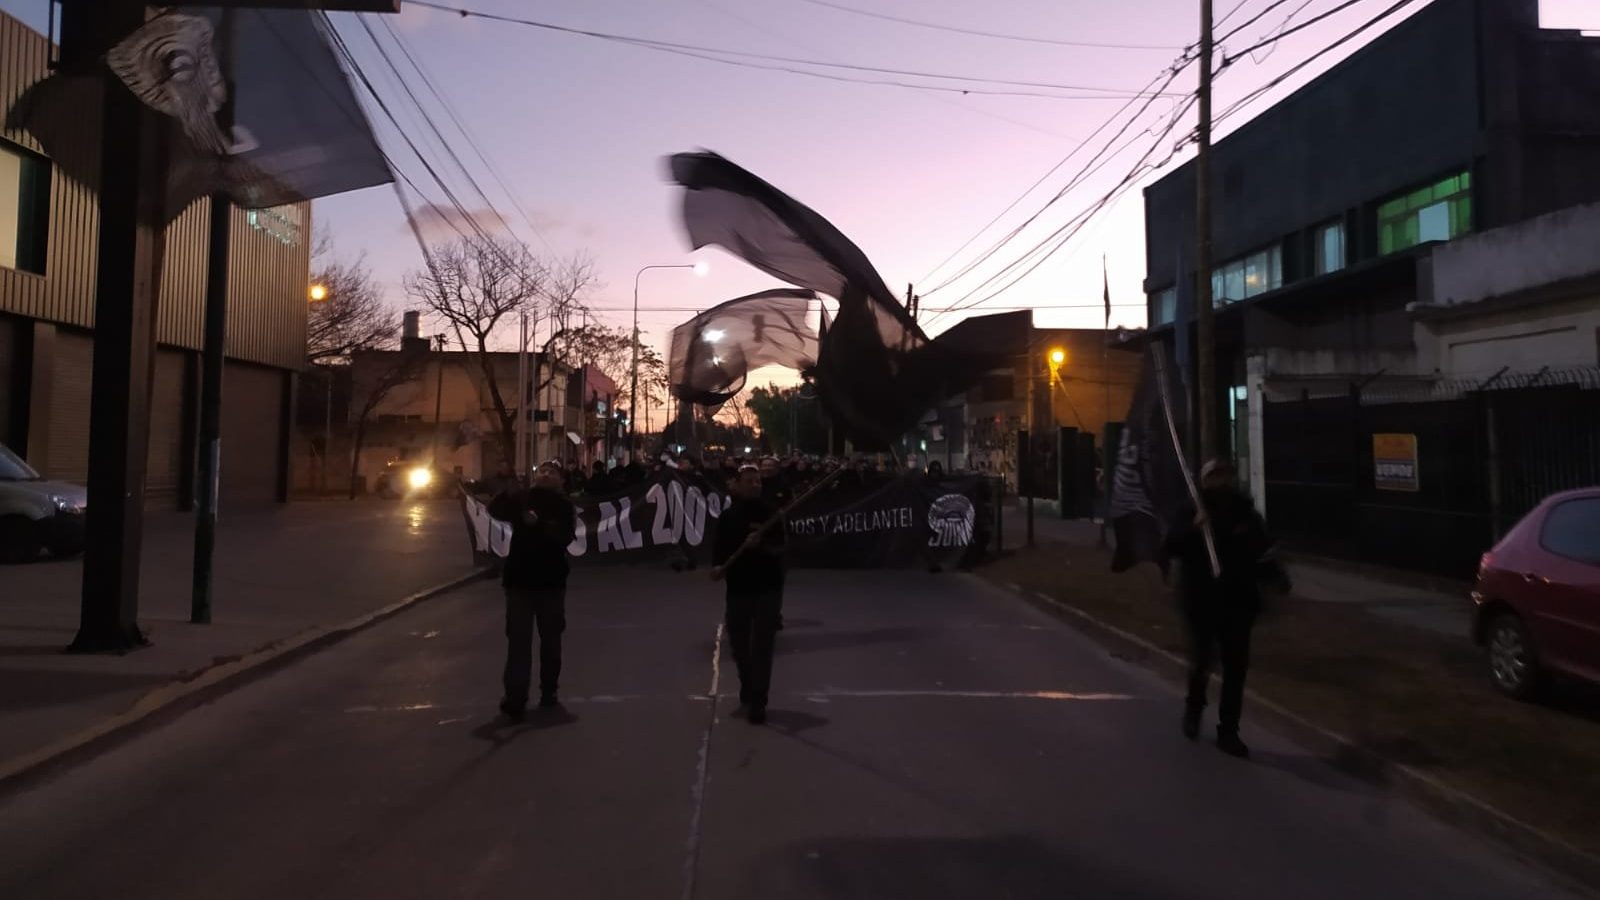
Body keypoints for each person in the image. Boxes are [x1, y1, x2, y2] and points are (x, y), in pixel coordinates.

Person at [1165, 459, 1283, 758]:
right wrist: (1193, 529)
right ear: (1204, 481)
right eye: (1213, 476)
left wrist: (1277, 578)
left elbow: (1263, 551)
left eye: (1225, 476)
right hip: (1201, 600)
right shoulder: (1190, 510)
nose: (1220, 482)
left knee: (1235, 668)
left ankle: (1228, 731)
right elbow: (1170, 546)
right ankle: (1194, 709)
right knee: (1202, 661)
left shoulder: (1245, 514)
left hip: (1238, 602)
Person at [488, 460, 578, 719]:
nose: (546, 474)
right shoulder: (523, 498)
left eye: (552, 472)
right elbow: (496, 510)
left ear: (561, 480)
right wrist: (507, 492)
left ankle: (549, 690)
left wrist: (540, 524)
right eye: (542, 471)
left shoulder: (564, 505)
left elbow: (565, 537)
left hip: (551, 583)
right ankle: (516, 697)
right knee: (518, 642)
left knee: (550, 640)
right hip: (519, 581)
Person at [712, 465, 786, 725]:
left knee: (763, 646)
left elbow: (782, 548)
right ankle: (747, 681)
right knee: (740, 644)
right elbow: (719, 552)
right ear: (738, 485)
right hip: (738, 588)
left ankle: (758, 700)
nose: (755, 484)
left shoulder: (772, 515)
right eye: (749, 481)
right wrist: (717, 568)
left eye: (758, 481)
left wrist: (762, 545)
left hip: (768, 587)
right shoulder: (728, 517)